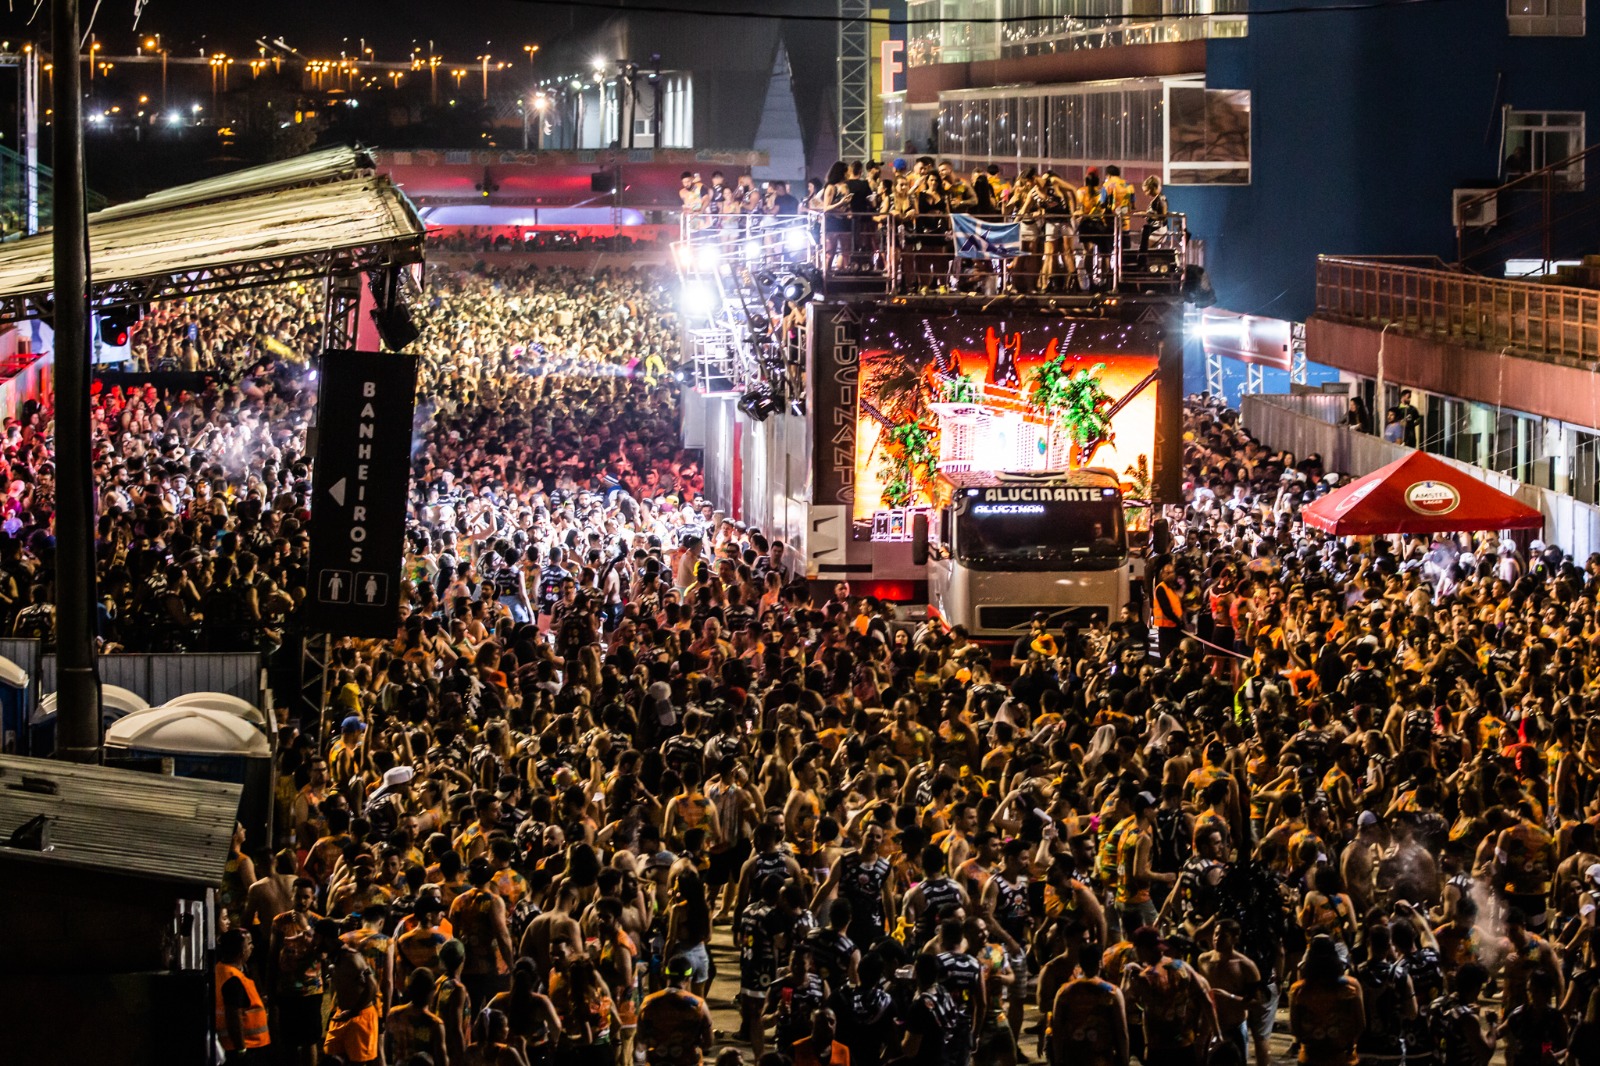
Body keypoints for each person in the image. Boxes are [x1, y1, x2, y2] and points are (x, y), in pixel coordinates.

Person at [1289, 935, 1365, 1066]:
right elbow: (1361, 1024)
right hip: (1343, 1057)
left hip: (1310, 1057)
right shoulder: (1351, 986)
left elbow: (1295, 1029)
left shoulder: (1298, 990)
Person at [1049, 942, 1129, 1066]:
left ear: (1080, 963)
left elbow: (1057, 1028)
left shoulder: (1064, 992)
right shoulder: (1112, 992)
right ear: (1100, 963)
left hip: (1073, 1058)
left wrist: (1058, 1059)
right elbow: (1122, 1031)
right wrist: (1124, 1060)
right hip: (1101, 1058)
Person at [318, 917, 383, 1066]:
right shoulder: (334, 956)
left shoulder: (350, 957)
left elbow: (372, 986)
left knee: (356, 1063)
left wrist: (354, 1011)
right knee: (331, 1058)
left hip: (360, 1017)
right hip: (343, 1015)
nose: (314, 941)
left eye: (316, 937)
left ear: (325, 938)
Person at [637, 955, 715, 1066]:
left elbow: (641, 1038)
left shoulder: (648, 1002)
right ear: (688, 978)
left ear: (666, 975)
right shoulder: (698, 1005)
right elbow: (709, 1042)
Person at [215, 928, 271, 1063]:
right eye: (249, 943)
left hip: (235, 1046)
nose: (252, 947)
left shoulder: (220, 969)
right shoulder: (234, 978)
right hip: (248, 1046)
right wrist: (241, 1049)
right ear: (241, 950)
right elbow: (234, 1016)